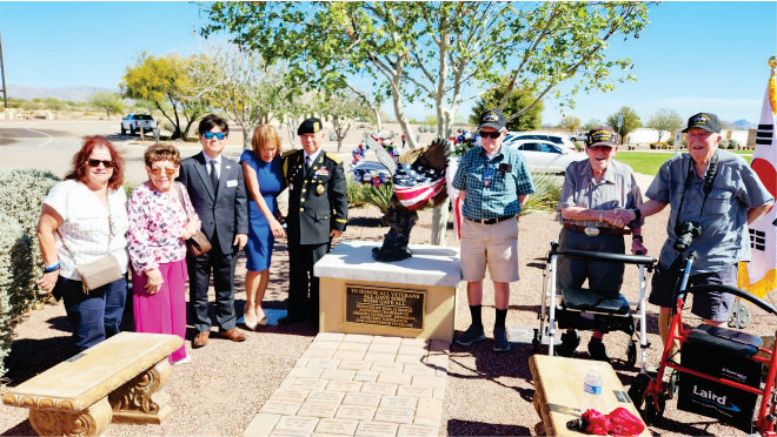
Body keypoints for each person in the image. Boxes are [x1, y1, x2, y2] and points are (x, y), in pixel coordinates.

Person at [620, 112, 774, 363]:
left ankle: (707, 369)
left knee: (714, 316)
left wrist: (737, 228)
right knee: (667, 309)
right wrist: (632, 213)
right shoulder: (674, 165)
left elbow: (763, 202)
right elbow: (658, 201)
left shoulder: (734, 166)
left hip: (719, 255)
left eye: (703, 134)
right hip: (677, 250)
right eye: (692, 134)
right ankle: (673, 362)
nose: (696, 139)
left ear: (718, 138)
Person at [554, 126, 648, 362]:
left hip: (610, 241)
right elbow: (568, 210)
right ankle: (570, 335)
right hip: (574, 236)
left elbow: (636, 213)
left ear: (615, 150)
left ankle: (597, 340)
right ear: (587, 149)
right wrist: (604, 215)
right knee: (568, 289)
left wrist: (637, 239)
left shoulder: (626, 174)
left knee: (606, 294)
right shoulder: (574, 170)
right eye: (595, 147)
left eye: (606, 148)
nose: (600, 152)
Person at [36, 136, 130, 352]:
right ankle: (94, 381)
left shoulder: (117, 191)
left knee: (111, 326)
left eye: (107, 163)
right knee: (90, 335)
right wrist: (52, 269)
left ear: (114, 167)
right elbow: (44, 230)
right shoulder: (66, 191)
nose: (101, 167)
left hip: (115, 272)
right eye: (94, 162)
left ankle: (113, 375)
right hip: (81, 277)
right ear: (82, 164)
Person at [451, 109, 535, 352]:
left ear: (504, 134)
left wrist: (509, 213)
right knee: (473, 277)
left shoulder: (516, 158)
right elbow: (462, 191)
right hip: (473, 228)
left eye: (494, 134)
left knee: (501, 279)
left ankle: (499, 328)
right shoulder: (469, 157)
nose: (488, 139)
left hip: (503, 228)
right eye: (484, 134)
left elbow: (524, 190)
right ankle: (476, 327)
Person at [178, 114, 249, 348]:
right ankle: (201, 328)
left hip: (228, 236)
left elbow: (241, 201)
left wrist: (242, 231)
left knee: (226, 283)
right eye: (209, 135)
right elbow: (181, 200)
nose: (214, 139)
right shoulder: (188, 166)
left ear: (226, 139)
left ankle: (227, 325)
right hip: (199, 238)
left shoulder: (234, 168)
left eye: (219, 135)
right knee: (199, 285)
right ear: (201, 138)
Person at [128, 143, 201, 365]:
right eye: (156, 169)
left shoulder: (179, 189)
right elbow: (135, 235)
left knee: (176, 310)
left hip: (177, 260)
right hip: (152, 265)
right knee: (153, 314)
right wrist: (150, 270)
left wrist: (191, 227)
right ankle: (156, 361)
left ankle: (176, 353)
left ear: (176, 170)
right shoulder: (140, 195)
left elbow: (193, 216)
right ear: (148, 170)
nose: (162, 175)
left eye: (168, 169)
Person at [280, 117, 348, 327]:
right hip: (296, 226)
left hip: (320, 228)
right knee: (297, 272)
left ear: (322, 136)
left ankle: (319, 316)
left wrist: (340, 223)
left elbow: (340, 195)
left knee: (318, 273)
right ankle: (296, 313)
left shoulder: (331, 163)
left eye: (313, 136)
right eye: (304, 136)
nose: (308, 140)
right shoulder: (290, 160)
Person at [240, 125, 286, 329]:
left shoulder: (278, 160)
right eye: (266, 148)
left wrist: (278, 213)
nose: (270, 152)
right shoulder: (248, 158)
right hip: (254, 213)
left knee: (266, 262)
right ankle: (249, 306)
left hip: (271, 211)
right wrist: (271, 219)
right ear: (257, 146)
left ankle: (259, 305)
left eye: (273, 148)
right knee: (256, 263)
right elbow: (256, 192)